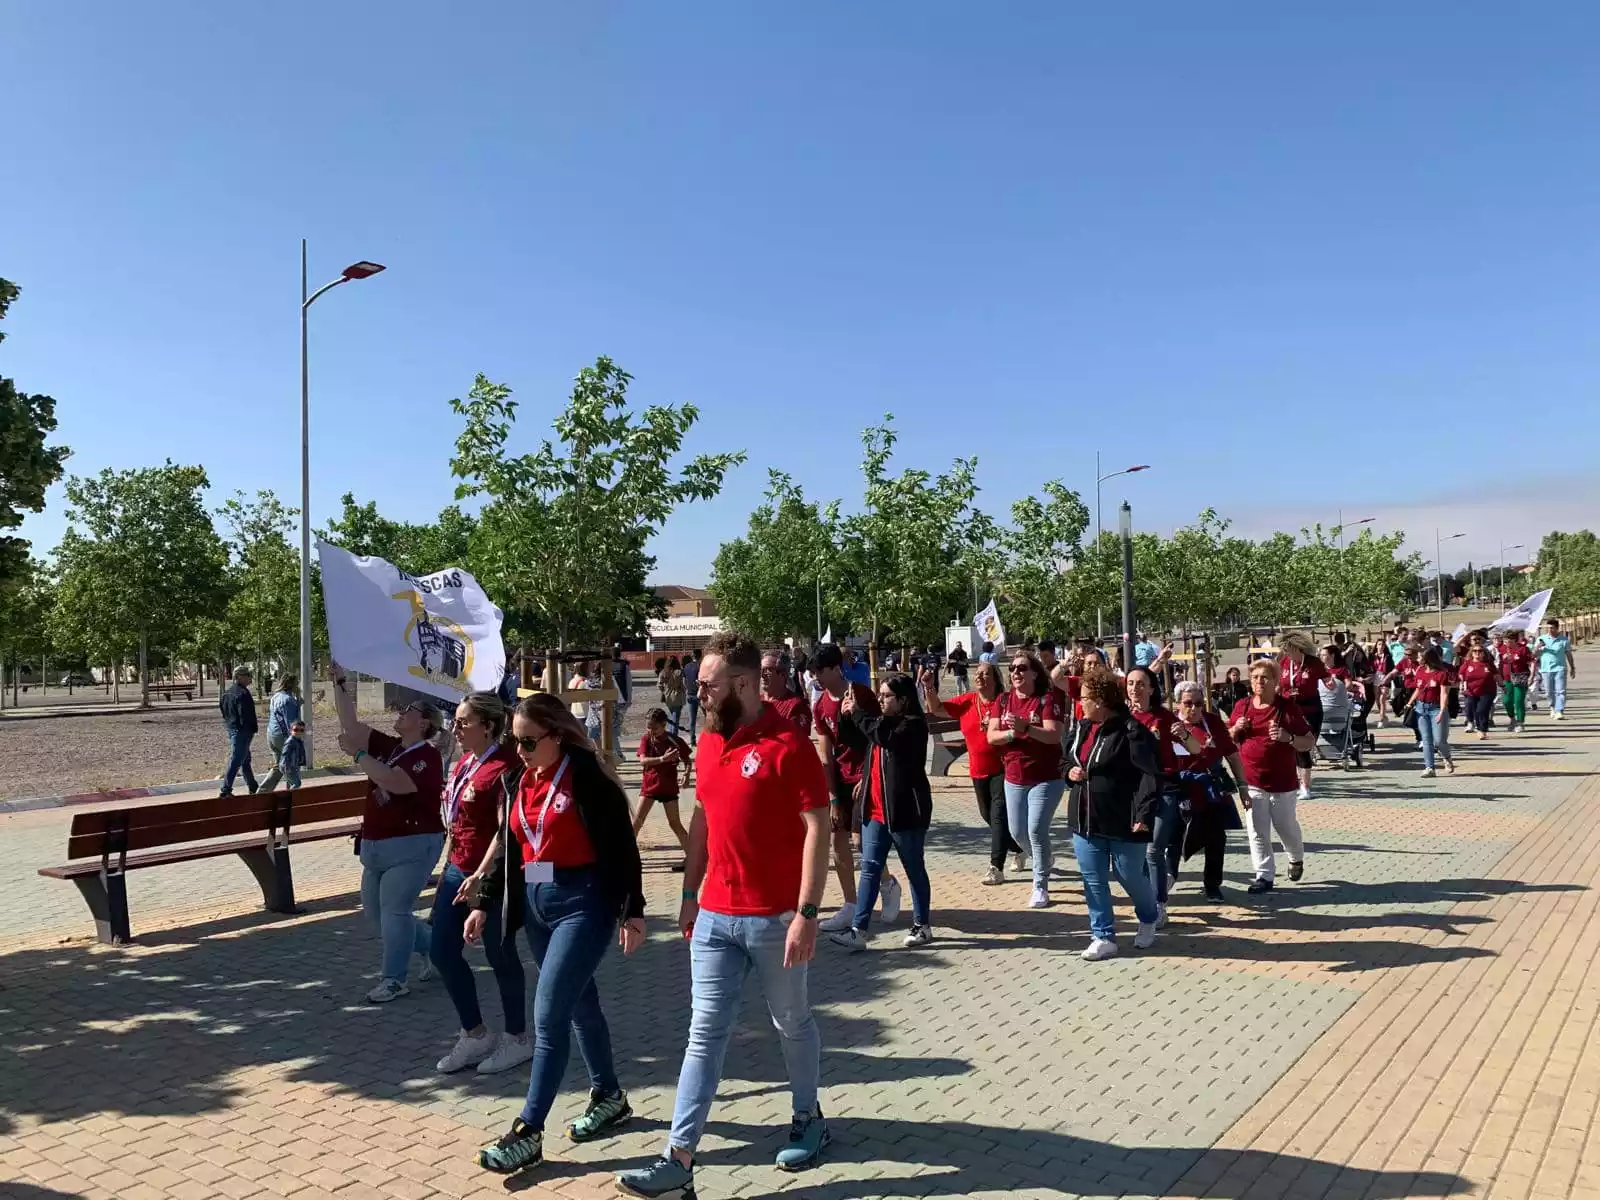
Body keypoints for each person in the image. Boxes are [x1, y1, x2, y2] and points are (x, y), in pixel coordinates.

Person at [616, 632, 833, 1197]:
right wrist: (689, 895)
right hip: (714, 916)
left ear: (741, 684)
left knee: (792, 1022)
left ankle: (809, 1117)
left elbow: (818, 829)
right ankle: (679, 1160)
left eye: (707, 684)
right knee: (704, 1034)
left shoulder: (790, 743)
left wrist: (807, 913)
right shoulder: (710, 743)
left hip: (775, 919)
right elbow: (705, 822)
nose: (699, 692)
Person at [469, 694, 646, 1174]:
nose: (520, 750)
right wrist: (484, 903)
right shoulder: (516, 780)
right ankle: (609, 1096)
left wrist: (633, 910)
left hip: (583, 905)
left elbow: (621, 845)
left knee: (547, 1017)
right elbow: (511, 847)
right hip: (536, 906)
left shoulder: (586, 778)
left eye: (528, 742)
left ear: (557, 736)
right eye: (514, 741)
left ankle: (528, 1130)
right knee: (580, 1004)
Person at [330, 666, 446, 1003]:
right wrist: (340, 684)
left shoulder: (427, 757)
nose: (402, 712)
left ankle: (394, 980)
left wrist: (358, 755)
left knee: (395, 912)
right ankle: (436, 949)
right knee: (379, 916)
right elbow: (350, 727)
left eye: (410, 710)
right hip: (377, 846)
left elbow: (394, 782)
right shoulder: (393, 746)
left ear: (424, 722)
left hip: (412, 844)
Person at [429, 692, 529, 1076]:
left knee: (500, 956)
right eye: (455, 720)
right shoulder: (464, 763)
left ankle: (518, 1037)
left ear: (487, 726)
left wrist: (480, 874)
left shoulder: (504, 767)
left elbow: (505, 830)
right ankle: (474, 1033)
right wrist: (446, 872)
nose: (455, 727)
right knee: (442, 952)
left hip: (494, 875)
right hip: (457, 870)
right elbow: (456, 822)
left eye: (464, 721)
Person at [829, 674, 935, 950]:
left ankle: (922, 925)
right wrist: (845, 710)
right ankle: (858, 931)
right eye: (880, 694)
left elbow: (885, 739)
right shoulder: (881, 723)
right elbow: (854, 736)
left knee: (914, 869)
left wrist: (859, 713)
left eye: (887, 696)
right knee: (869, 869)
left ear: (902, 700)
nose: (881, 699)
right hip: (874, 811)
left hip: (905, 812)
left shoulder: (911, 725)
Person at [1065, 665, 1162, 961]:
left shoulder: (1132, 731)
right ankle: (1103, 936)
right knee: (1093, 878)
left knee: (1128, 874)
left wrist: (1143, 815)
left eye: (1084, 697)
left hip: (1124, 818)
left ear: (1101, 700)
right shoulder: (1082, 728)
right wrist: (1068, 772)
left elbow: (1149, 776)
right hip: (1085, 818)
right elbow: (1063, 759)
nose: (1080, 703)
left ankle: (1149, 915)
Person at [812, 644, 901, 932]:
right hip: (840, 782)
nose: (815, 676)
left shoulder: (861, 694)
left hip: (866, 776)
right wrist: (832, 795)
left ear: (836, 668)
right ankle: (850, 905)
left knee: (863, 842)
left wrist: (868, 775)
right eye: (812, 671)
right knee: (838, 843)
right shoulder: (819, 705)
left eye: (820, 671)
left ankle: (888, 884)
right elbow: (825, 755)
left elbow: (877, 737)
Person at [921, 661, 1020, 885]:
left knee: (997, 816)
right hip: (978, 770)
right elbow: (937, 709)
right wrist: (928, 686)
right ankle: (1019, 848)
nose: (980, 677)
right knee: (988, 816)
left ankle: (996, 867)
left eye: (986, 674)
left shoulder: (1005, 702)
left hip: (1004, 769)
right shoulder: (968, 701)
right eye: (978, 674)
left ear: (995, 679)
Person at [988, 650, 1066, 909]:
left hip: (1046, 777)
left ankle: (1040, 885)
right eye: (1012, 669)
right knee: (1018, 832)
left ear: (1034, 672)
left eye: (1022, 668)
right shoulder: (1003, 700)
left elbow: (1054, 736)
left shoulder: (1047, 699)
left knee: (1035, 830)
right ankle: (1044, 858)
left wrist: (1027, 728)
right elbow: (992, 736)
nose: (1016, 673)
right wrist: (1013, 733)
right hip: (1014, 776)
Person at [1229, 659, 1314, 894]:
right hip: (1252, 780)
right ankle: (1264, 875)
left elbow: (1309, 741)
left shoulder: (1287, 708)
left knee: (1286, 827)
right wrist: (1235, 728)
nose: (1259, 681)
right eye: (1255, 677)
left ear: (1276, 681)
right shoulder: (1242, 706)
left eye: (1265, 677)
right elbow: (1227, 738)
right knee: (1257, 830)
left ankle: (1295, 857)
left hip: (1282, 782)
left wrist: (1289, 738)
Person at [1125, 666, 1202, 925]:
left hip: (1164, 788)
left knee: (1153, 849)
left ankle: (1160, 905)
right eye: (1130, 683)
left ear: (1151, 688)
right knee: (1137, 852)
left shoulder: (1163, 717)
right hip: (1133, 792)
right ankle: (1148, 896)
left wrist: (1184, 734)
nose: (1134, 688)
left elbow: (1195, 748)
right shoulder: (1121, 718)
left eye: (1140, 683)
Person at [1171, 681, 1245, 902]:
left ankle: (1212, 885)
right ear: (1178, 704)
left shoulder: (1212, 723)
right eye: (1188, 703)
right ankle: (1167, 879)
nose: (1193, 709)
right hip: (1180, 789)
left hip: (1210, 787)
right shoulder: (1169, 724)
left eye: (1198, 704)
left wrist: (1242, 786)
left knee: (1216, 838)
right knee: (1173, 837)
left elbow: (1232, 755)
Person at [635, 708, 693, 866]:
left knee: (674, 823)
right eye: (648, 727)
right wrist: (662, 759)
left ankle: (692, 857)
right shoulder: (646, 739)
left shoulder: (674, 740)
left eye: (655, 728)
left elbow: (688, 760)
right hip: (650, 785)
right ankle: (627, 856)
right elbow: (643, 760)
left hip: (668, 786)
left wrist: (686, 775)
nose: (651, 731)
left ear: (664, 725)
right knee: (637, 821)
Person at [1276, 631, 1327, 801]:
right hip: (1289, 709)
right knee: (1290, 746)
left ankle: (1305, 787)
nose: (1287, 654)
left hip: (1310, 709)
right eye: (1285, 651)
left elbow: (1328, 679)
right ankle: (1297, 784)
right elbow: (1279, 684)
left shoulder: (1314, 663)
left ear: (1298, 648)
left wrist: (1333, 684)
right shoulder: (1284, 662)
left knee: (1303, 746)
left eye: (1289, 650)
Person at [1402, 646, 1457, 778]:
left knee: (1439, 741)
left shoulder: (1441, 673)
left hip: (1436, 708)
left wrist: (1442, 711)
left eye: (1421, 657)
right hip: (1421, 708)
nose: (1418, 658)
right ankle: (1429, 768)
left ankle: (1447, 758)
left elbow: (1444, 693)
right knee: (1426, 740)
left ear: (1428, 659)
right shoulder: (1420, 671)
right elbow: (1418, 689)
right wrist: (1410, 703)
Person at [218, 666, 260, 797]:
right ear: (239, 677)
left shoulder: (226, 693)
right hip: (243, 731)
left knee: (244, 759)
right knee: (237, 759)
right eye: (247, 675)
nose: (249, 678)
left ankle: (253, 786)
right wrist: (252, 729)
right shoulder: (243, 694)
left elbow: (223, 712)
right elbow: (246, 715)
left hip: (231, 728)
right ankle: (225, 790)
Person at [257, 675, 302, 793]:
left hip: (271, 735)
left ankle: (263, 791)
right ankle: (293, 793)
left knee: (278, 766)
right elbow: (291, 723)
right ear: (292, 685)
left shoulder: (275, 696)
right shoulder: (289, 700)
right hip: (283, 737)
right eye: (297, 683)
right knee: (291, 766)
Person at [761, 651, 813, 736]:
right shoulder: (755, 703)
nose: (762, 675)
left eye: (768, 670)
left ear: (783, 674)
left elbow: (799, 743)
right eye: (761, 669)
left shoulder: (797, 706)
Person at [1535, 618, 1576, 719]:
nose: (1550, 630)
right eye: (1548, 628)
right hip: (1546, 669)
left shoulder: (1563, 640)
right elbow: (1535, 654)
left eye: (1552, 628)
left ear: (1557, 628)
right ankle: (1552, 707)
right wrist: (1537, 648)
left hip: (1560, 668)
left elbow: (1568, 654)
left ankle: (1559, 710)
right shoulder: (1541, 639)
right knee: (1549, 691)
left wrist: (1572, 667)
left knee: (1560, 691)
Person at [1458, 643, 1499, 740]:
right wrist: (1462, 684)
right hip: (1471, 691)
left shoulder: (1488, 663)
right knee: (1475, 710)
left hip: (1488, 691)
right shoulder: (1467, 663)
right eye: (1475, 651)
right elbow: (1461, 674)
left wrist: (1502, 685)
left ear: (1484, 653)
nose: (1477, 653)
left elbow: (1496, 675)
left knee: (1482, 710)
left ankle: (1483, 730)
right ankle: (1479, 727)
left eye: (1480, 651)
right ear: (1471, 653)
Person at [1499, 630, 1534, 731]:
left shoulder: (1523, 649)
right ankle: (1512, 719)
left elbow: (1532, 662)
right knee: (1506, 701)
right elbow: (1500, 663)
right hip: (1507, 678)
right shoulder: (1502, 649)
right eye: (1505, 641)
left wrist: (1531, 676)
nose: (1506, 644)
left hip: (1520, 677)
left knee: (1518, 700)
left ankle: (1520, 722)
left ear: (1514, 640)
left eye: (1509, 641)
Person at [660, 656, 687, 738]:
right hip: (677, 696)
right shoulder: (679, 672)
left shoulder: (664, 672)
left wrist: (664, 691)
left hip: (668, 696)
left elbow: (659, 685)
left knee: (672, 715)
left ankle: (671, 733)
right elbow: (683, 685)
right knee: (675, 717)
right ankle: (673, 735)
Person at [279, 720, 307, 793]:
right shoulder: (290, 742)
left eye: (301, 730)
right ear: (291, 730)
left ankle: (290, 799)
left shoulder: (298, 740)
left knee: (291, 783)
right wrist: (286, 767)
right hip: (288, 766)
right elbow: (285, 754)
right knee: (297, 783)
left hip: (294, 766)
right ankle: (288, 798)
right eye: (296, 730)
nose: (298, 732)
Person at [682, 649, 702, 744]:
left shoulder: (686, 666)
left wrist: (688, 689)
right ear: (700, 656)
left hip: (690, 694)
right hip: (700, 695)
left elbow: (684, 681)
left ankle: (692, 740)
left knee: (692, 719)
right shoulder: (700, 666)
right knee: (708, 717)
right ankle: (709, 738)